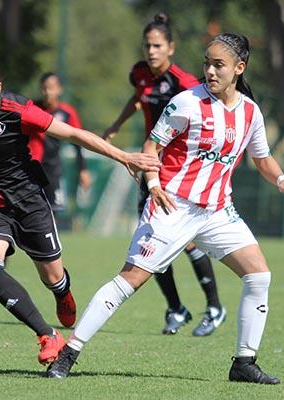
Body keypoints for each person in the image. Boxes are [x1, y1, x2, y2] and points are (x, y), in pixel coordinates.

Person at [47, 32, 284, 384]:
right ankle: (68, 353)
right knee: (131, 280)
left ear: (239, 68)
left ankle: (244, 363)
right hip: (173, 206)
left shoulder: (249, 112)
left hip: (216, 211)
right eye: (207, 64)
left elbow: (262, 158)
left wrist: (283, 182)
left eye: (219, 65)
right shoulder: (186, 103)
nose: (210, 71)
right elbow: (151, 148)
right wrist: (153, 187)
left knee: (259, 275)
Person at [0, 46, 160, 366]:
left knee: (52, 276)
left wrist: (124, 156)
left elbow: (73, 134)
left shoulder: (19, 110)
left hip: (29, 202)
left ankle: (61, 292)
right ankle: (47, 334)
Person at [103, 13, 226, 336]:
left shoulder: (184, 83)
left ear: (171, 48)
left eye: (157, 45)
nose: (152, 50)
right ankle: (176, 308)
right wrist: (117, 124)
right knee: (150, 238)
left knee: (186, 240)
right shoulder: (140, 74)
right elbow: (138, 99)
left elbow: (212, 113)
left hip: (181, 168)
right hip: (151, 165)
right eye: (147, 45)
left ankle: (214, 306)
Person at [35, 72, 92, 213]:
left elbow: (78, 143)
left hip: (53, 169)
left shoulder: (67, 113)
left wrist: (83, 170)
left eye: (52, 88)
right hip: (31, 168)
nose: (48, 92)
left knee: (53, 211)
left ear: (60, 89)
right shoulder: (32, 109)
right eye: (44, 88)